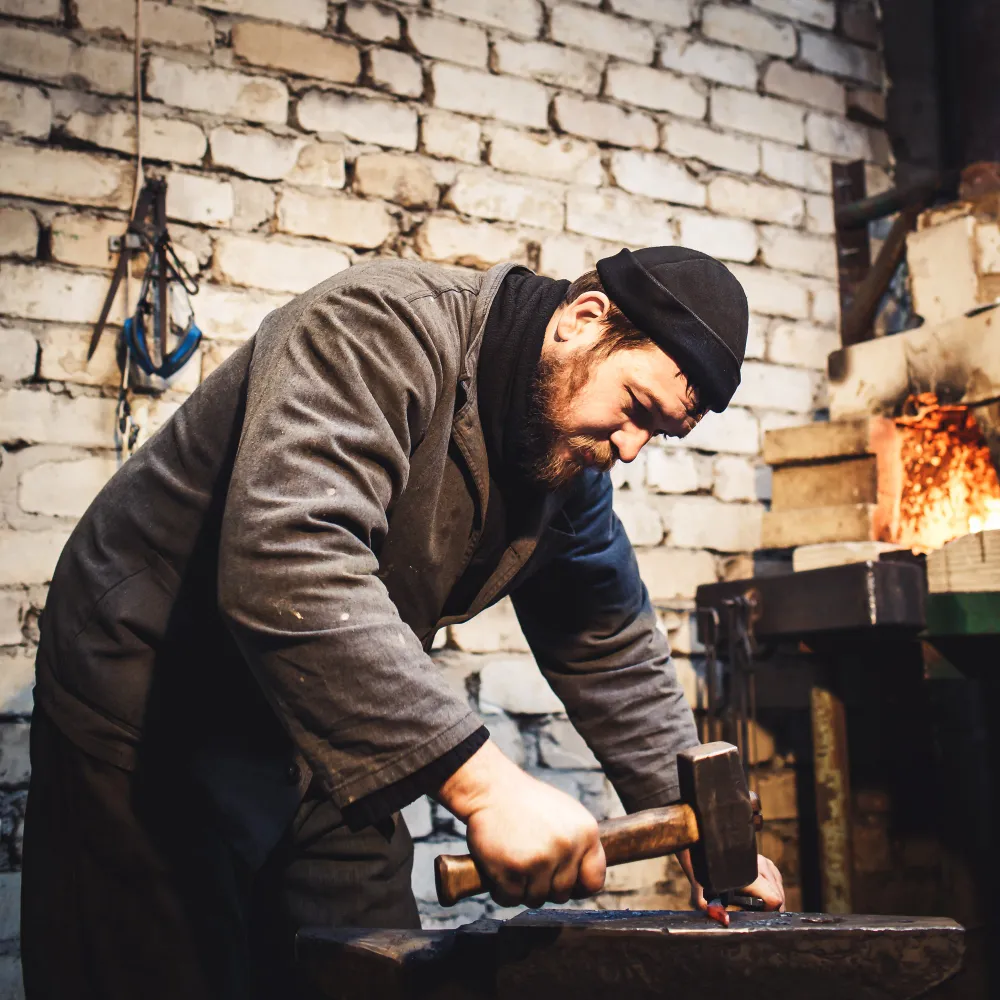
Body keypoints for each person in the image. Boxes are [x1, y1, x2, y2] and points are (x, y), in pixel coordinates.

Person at [20, 246, 784, 999]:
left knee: (369, 971)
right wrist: (487, 790)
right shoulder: (378, 325)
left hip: (324, 720)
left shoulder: (569, 460)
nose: (629, 448)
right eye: (636, 409)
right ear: (584, 319)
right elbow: (289, 555)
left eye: (660, 434)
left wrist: (703, 820)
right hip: (150, 699)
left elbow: (606, 638)